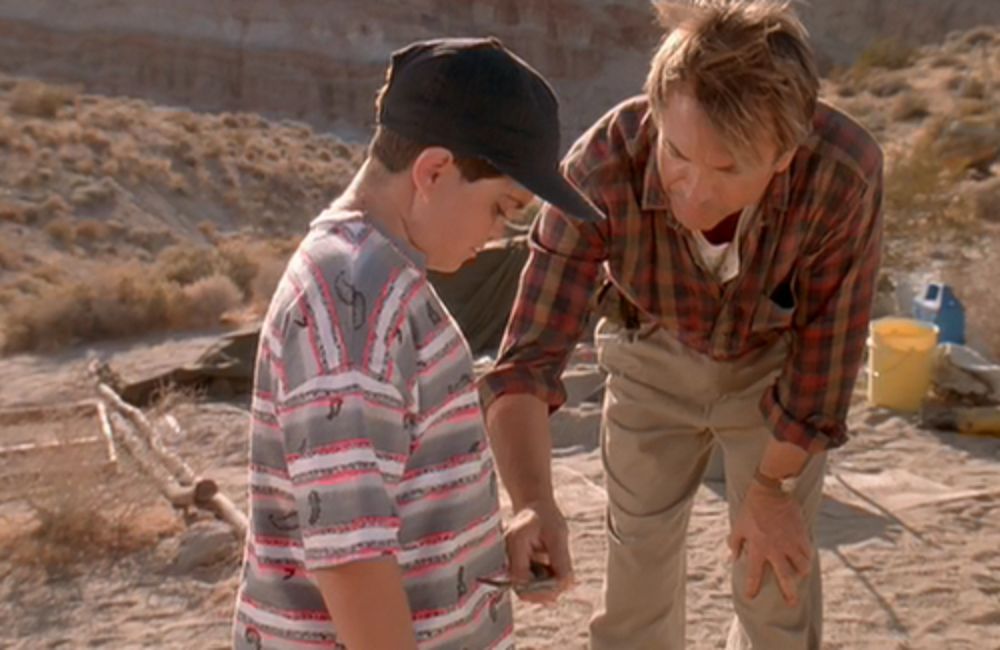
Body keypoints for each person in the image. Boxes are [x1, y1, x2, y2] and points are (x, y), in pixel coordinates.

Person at [480, 1, 884, 648]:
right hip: (648, 350)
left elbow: (825, 361)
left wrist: (772, 486)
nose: (693, 190)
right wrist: (531, 503)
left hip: (774, 372)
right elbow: (527, 360)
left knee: (775, 583)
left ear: (785, 154)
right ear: (657, 110)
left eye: (727, 169)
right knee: (636, 578)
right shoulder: (600, 169)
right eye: (676, 153)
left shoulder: (842, 173)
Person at [232, 37, 603, 650]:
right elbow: (352, 563)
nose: (496, 234)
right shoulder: (354, 303)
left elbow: (387, 501)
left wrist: (484, 542)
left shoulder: (379, 279)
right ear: (433, 172)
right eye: (502, 208)